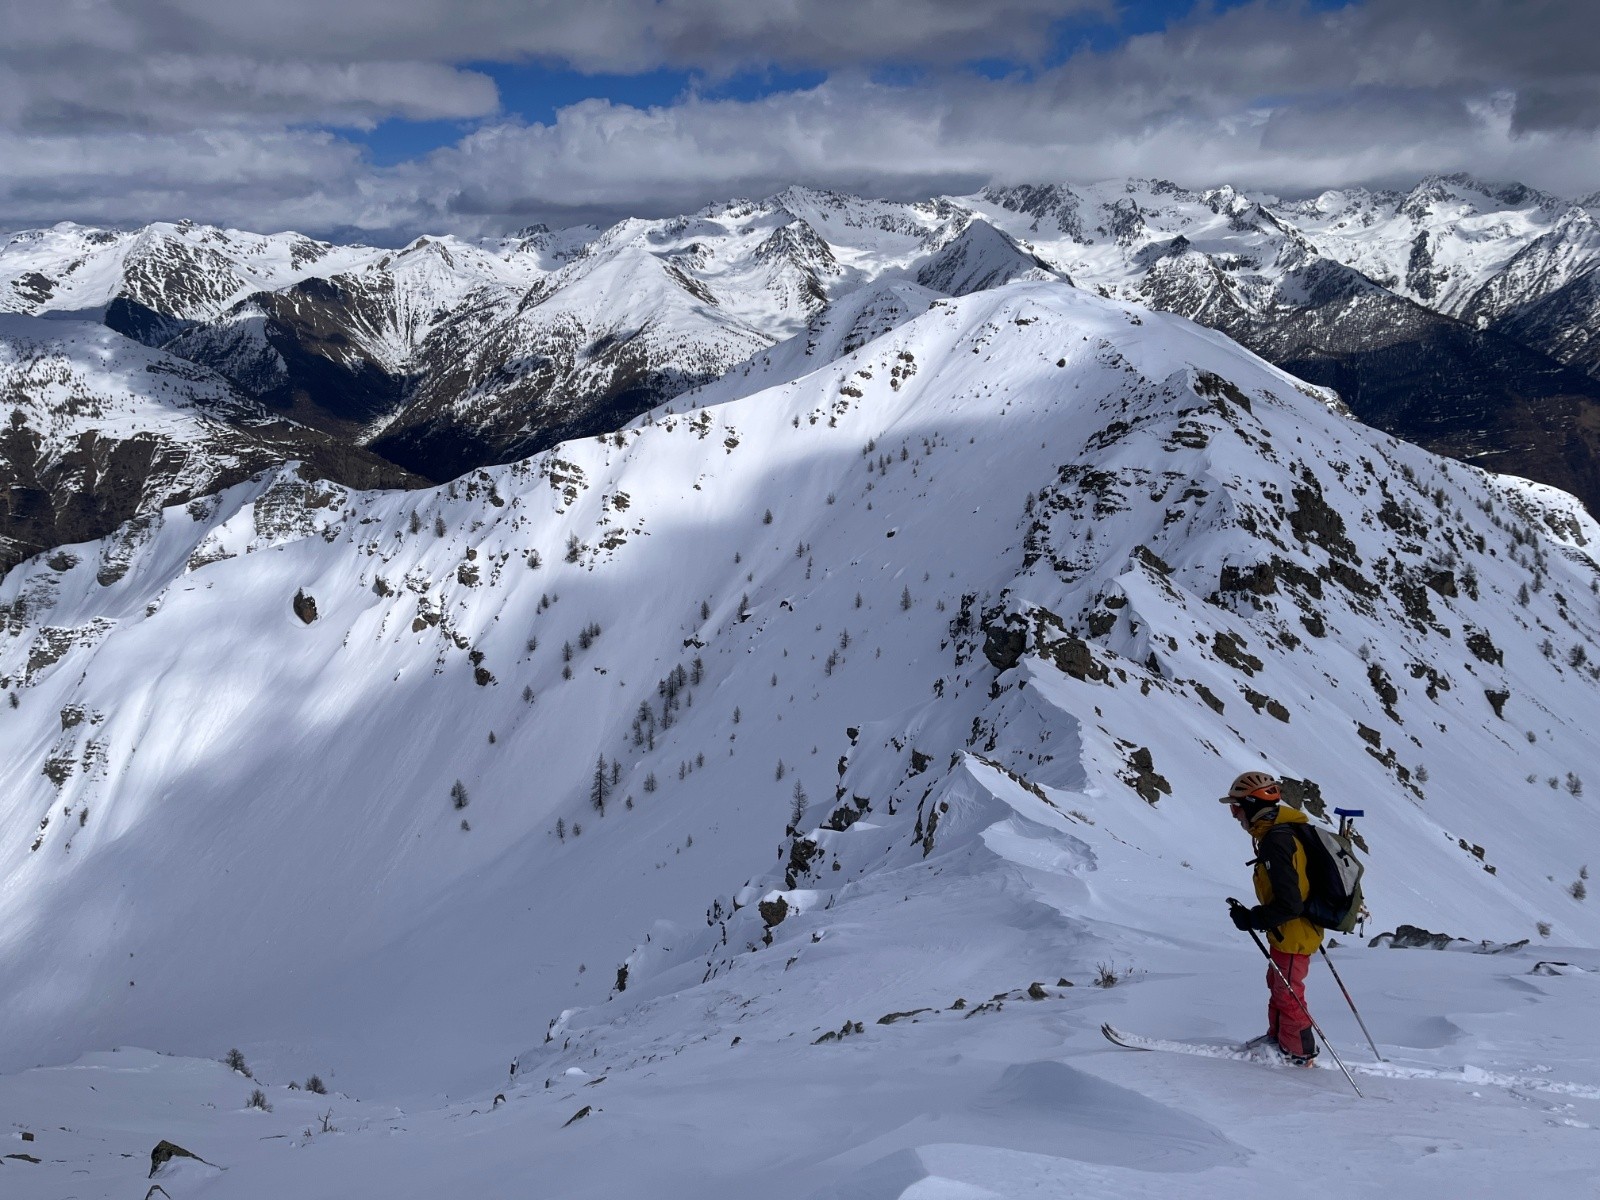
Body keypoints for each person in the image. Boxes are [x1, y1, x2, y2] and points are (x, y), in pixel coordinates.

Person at [1221, 770, 1322, 1065]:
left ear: (1252, 805)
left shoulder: (1277, 841)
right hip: (1289, 931)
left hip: (1293, 932)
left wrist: (1250, 918)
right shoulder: (1279, 834)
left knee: (1289, 992)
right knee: (1279, 983)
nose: (1234, 815)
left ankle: (1299, 1054)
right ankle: (1279, 1040)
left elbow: (1290, 904)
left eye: (1236, 807)